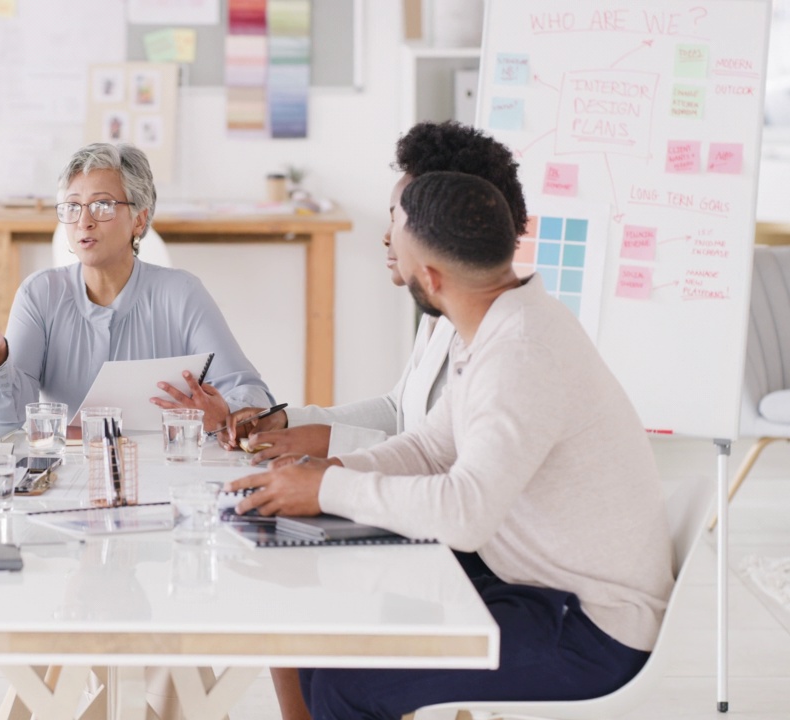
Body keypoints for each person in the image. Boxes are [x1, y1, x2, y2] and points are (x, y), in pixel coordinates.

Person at [229, 172, 673, 720]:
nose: (387, 244)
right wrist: (326, 470)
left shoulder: (519, 354)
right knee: (322, 629)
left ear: (430, 279)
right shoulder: (501, 321)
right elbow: (429, 448)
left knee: (346, 685)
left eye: (398, 238)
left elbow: (465, 513)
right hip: (536, 588)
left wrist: (328, 485)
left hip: (589, 628)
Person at [224, 121, 530, 461]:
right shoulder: (441, 312)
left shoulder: (501, 344)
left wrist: (327, 449)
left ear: (442, 226)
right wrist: (287, 421)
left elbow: (445, 463)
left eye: (396, 220)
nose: (386, 237)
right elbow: (399, 410)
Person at [0, 142, 273, 429]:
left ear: (139, 220)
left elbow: (250, 391)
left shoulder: (182, 293)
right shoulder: (39, 294)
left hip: (163, 473)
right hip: (67, 478)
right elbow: (11, 418)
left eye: (102, 205)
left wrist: (223, 411)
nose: (84, 220)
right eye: (72, 206)